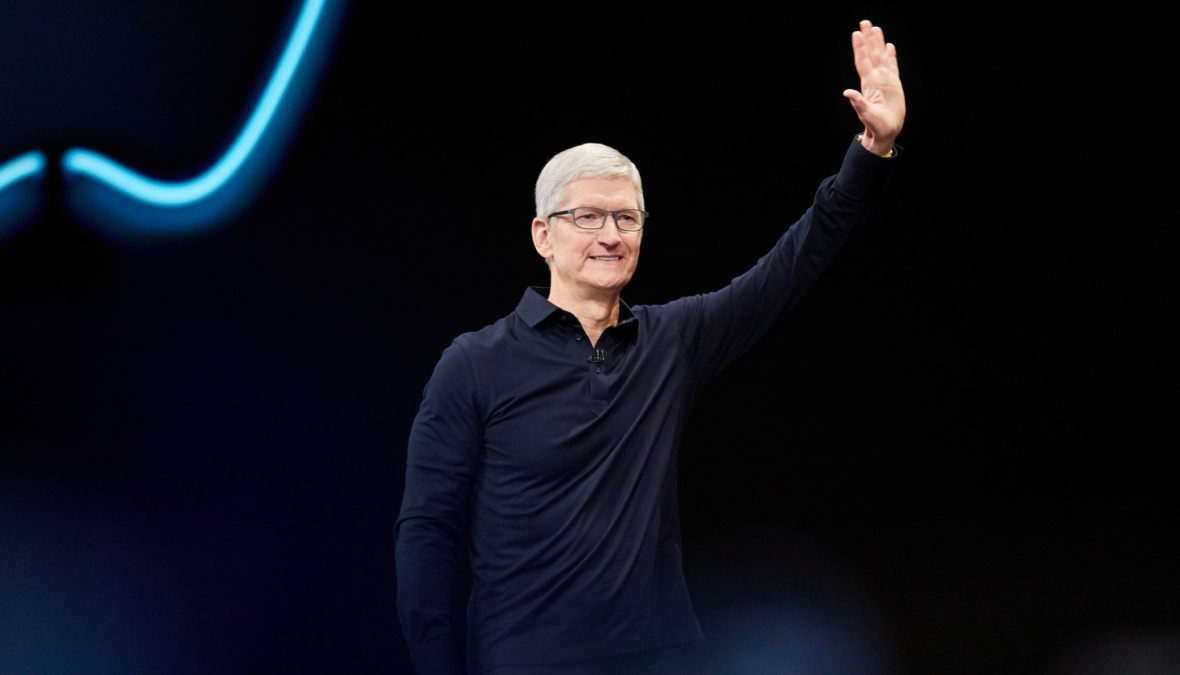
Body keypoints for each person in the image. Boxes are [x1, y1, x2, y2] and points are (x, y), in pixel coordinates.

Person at [395, 20, 906, 675]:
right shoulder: (475, 363)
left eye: (626, 217)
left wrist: (872, 149)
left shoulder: (670, 341)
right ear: (543, 235)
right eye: (587, 217)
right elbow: (427, 530)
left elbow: (794, 264)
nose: (610, 235)